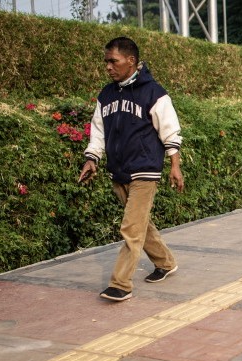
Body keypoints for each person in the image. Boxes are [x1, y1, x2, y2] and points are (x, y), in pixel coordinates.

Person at [79, 37, 185, 302]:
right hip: (118, 170)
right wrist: (92, 158)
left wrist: (175, 165)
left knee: (130, 228)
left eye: (113, 61)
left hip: (145, 170)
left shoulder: (154, 92)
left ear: (131, 61)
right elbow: (98, 131)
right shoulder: (106, 95)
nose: (108, 67)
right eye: (106, 62)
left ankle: (120, 283)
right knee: (140, 225)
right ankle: (165, 262)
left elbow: (170, 129)